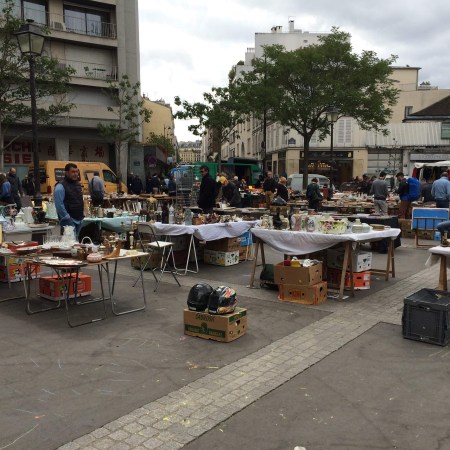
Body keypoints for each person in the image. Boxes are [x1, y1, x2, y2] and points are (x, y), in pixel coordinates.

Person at [54, 163, 85, 238]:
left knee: (78, 242)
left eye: (77, 171)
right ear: (67, 173)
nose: (76, 174)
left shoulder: (78, 184)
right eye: (73, 172)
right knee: (69, 242)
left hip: (79, 219)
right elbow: (59, 205)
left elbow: (80, 200)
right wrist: (66, 217)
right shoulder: (60, 186)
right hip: (68, 221)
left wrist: (82, 214)